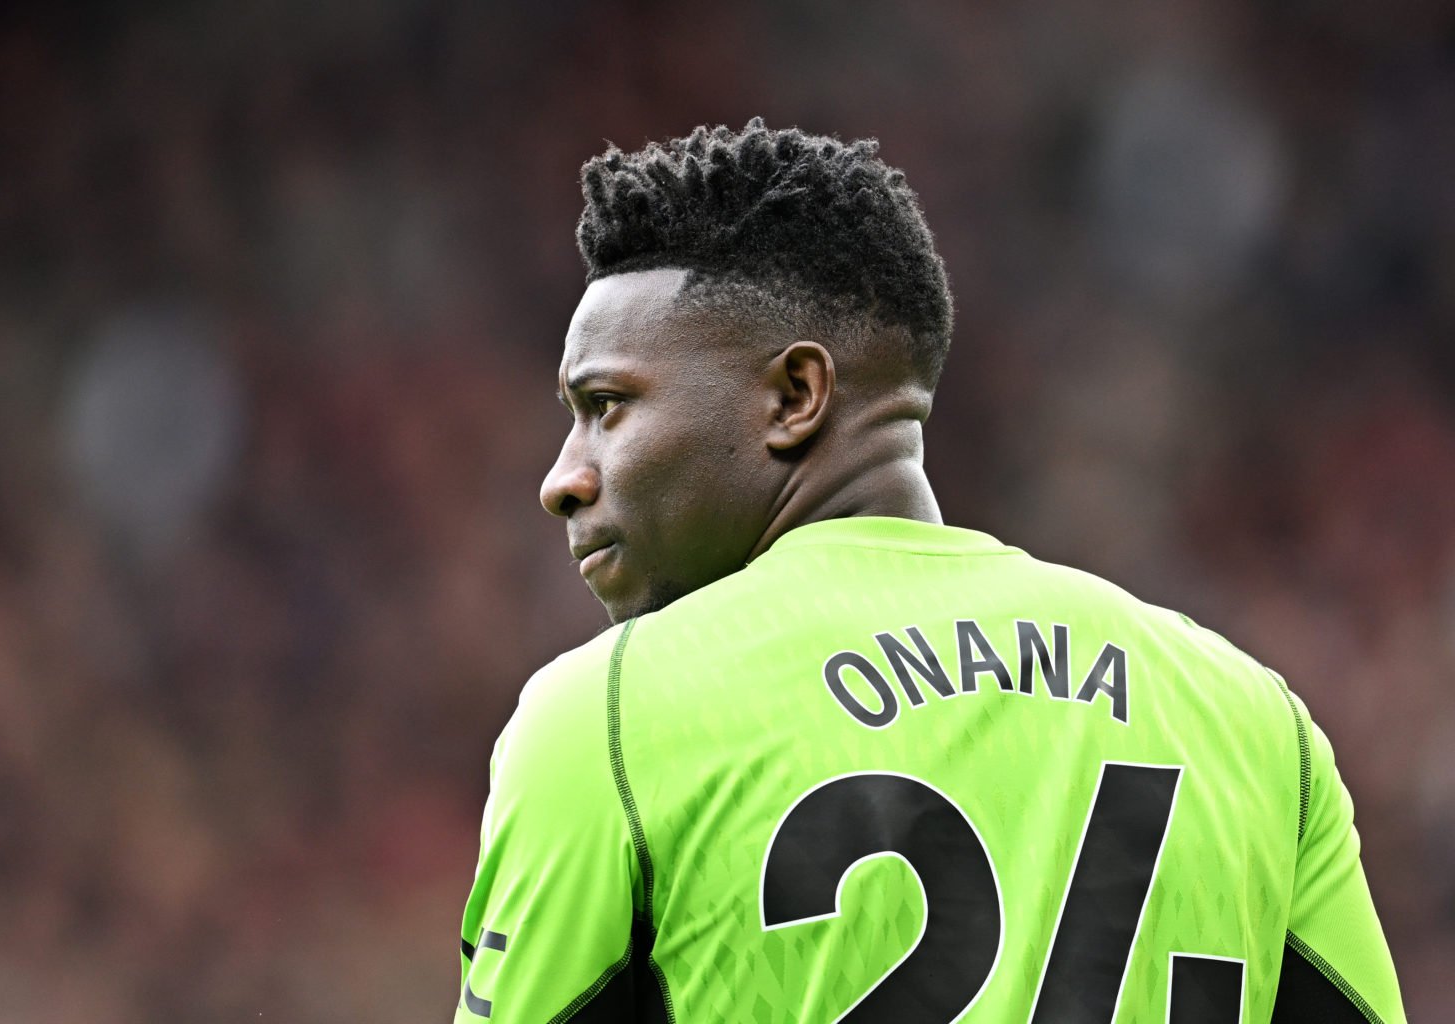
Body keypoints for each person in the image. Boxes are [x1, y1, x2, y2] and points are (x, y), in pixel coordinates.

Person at [454, 119, 1405, 1023]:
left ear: (796, 396)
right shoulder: (1254, 724)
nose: (563, 479)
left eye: (606, 405)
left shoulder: (610, 719)